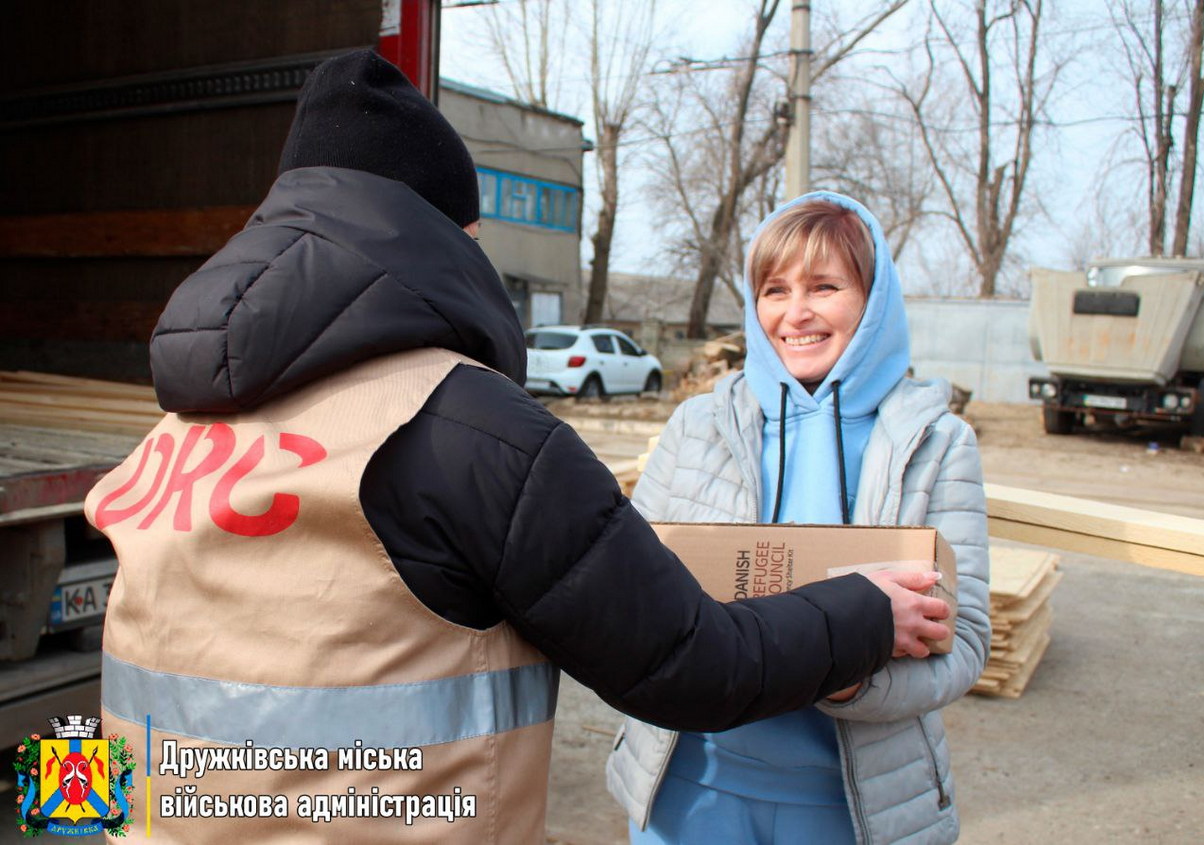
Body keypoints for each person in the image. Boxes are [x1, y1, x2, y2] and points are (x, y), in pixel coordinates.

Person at [84, 52, 948, 843]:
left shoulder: (172, 434)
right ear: (444, 237)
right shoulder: (474, 434)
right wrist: (866, 610)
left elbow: (115, 722)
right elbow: (689, 663)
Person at [605, 192, 992, 844]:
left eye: (825, 286)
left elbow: (968, 641)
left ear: (873, 299)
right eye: (775, 289)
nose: (796, 312)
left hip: (845, 808)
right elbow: (629, 585)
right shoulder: (699, 424)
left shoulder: (936, 441)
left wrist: (848, 672)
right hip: (692, 791)